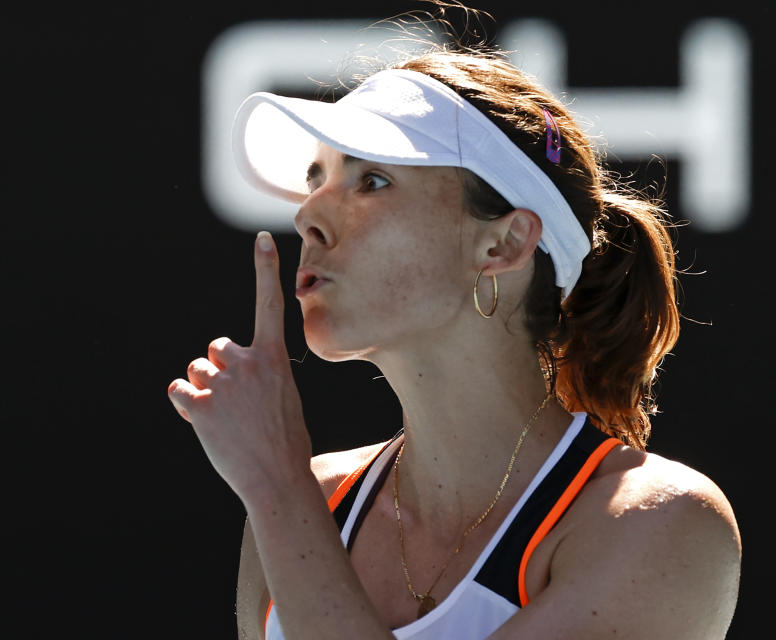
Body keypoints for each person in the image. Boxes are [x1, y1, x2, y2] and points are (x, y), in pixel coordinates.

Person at [167, 4, 742, 638]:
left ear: (502, 245)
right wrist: (281, 492)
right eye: (316, 179)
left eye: (374, 181)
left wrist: (277, 483)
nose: (309, 215)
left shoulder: (661, 523)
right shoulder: (305, 504)